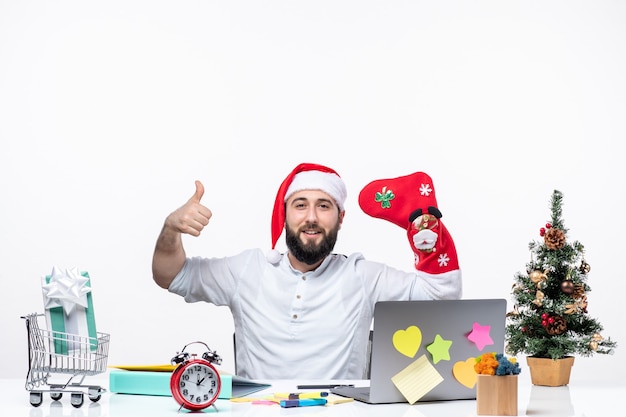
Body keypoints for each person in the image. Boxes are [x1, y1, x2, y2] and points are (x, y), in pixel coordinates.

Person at [152, 163, 462, 380]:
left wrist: (425, 231)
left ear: (340, 218)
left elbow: (440, 294)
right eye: (300, 205)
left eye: (324, 206)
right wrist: (171, 229)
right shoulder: (247, 270)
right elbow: (171, 275)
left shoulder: (362, 276)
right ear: (284, 215)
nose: (311, 217)